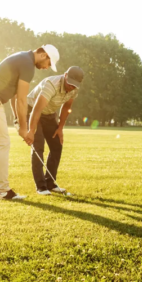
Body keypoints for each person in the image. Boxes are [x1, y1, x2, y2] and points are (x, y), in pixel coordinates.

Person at [0, 45, 59, 200]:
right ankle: (3, 190)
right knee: (3, 143)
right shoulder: (27, 64)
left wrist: (19, 122)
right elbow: (21, 100)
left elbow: (15, 96)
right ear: (43, 55)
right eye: (48, 64)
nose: (46, 68)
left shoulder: (23, 58)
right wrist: (24, 129)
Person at [26, 65, 84, 195]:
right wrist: (31, 130)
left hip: (49, 114)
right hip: (32, 110)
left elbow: (67, 107)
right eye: (70, 83)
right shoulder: (51, 85)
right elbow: (36, 110)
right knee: (38, 146)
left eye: (74, 85)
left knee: (57, 145)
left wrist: (60, 127)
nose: (71, 87)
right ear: (65, 75)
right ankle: (41, 186)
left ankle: (50, 183)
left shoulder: (74, 89)